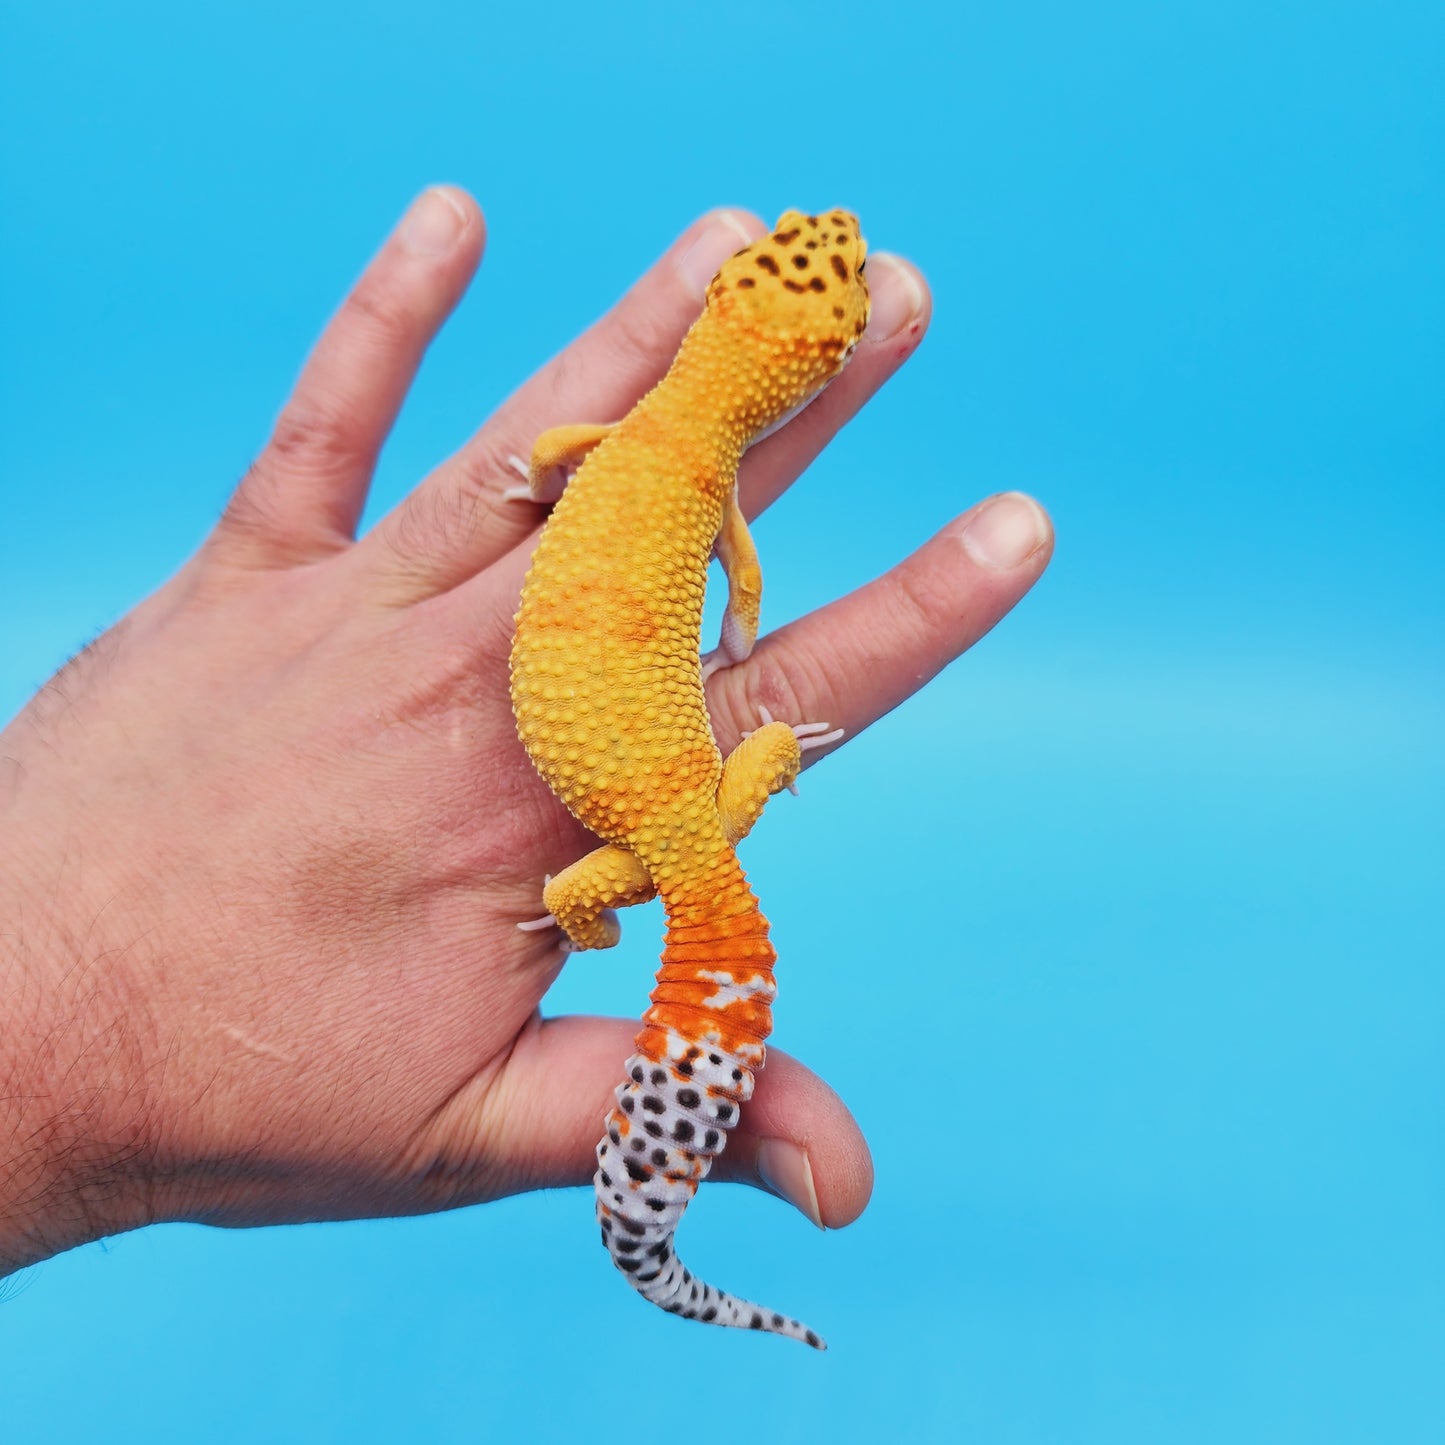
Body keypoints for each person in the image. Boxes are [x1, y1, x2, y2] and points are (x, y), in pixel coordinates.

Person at [0, 188, 1053, 1278]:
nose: (823, 235)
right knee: (607, 876)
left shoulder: (635, 429)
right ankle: (653, 1231)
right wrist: (744, 672)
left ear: (723, 309)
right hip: (681, 817)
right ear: (809, 366)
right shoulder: (706, 491)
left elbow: (555, 449)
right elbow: (740, 582)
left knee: (605, 884)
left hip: (673, 807)